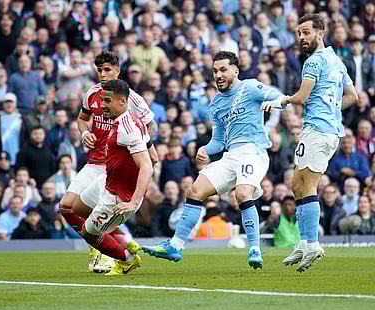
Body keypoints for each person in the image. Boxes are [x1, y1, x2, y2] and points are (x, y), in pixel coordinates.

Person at [142, 51, 286, 269]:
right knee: (194, 190)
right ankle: (176, 245)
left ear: (235, 71)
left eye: (223, 70)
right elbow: (218, 140)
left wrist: (273, 103)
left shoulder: (250, 87)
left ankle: (255, 248)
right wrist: (205, 149)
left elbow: (278, 96)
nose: (218, 74)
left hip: (253, 151)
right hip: (230, 155)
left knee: (243, 193)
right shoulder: (216, 103)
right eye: (215, 71)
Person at [59, 51, 156, 273]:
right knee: (67, 207)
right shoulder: (92, 95)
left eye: (108, 70)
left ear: (117, 71)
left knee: (93, 221)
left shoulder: (132, 100)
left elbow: (150, 127)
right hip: (95, 162)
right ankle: (121, 241)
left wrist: (147, 148)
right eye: (100, 70)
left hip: (116, 167)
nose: (103, 74)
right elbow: (82, 119)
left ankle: (105, 254)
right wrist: (84, 134)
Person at [276, 14, 358, 272]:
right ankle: (303, 242)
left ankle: (313, 243)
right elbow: (353, 96)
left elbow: (302, 96)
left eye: (306, 32)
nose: (301, 37)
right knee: (297, 184)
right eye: (299, 33)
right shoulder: (337, 61)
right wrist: (333, 109)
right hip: (326, 130)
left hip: (318, 130)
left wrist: (283, 100)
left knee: (308, 185)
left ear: (320, 33)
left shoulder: (313, 62)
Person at [78, 79, 152, 276]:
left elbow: (147, 165)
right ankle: (126, 241)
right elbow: (153, 155)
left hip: (119, 197)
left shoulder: (127, 129)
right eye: (102, 100)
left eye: (108, 101)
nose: (102, 105)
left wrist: (134, 201)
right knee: (77, 208)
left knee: (88, 233)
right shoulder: (127, 121)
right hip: (107, 182)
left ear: (122, 101)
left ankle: (127, 259)